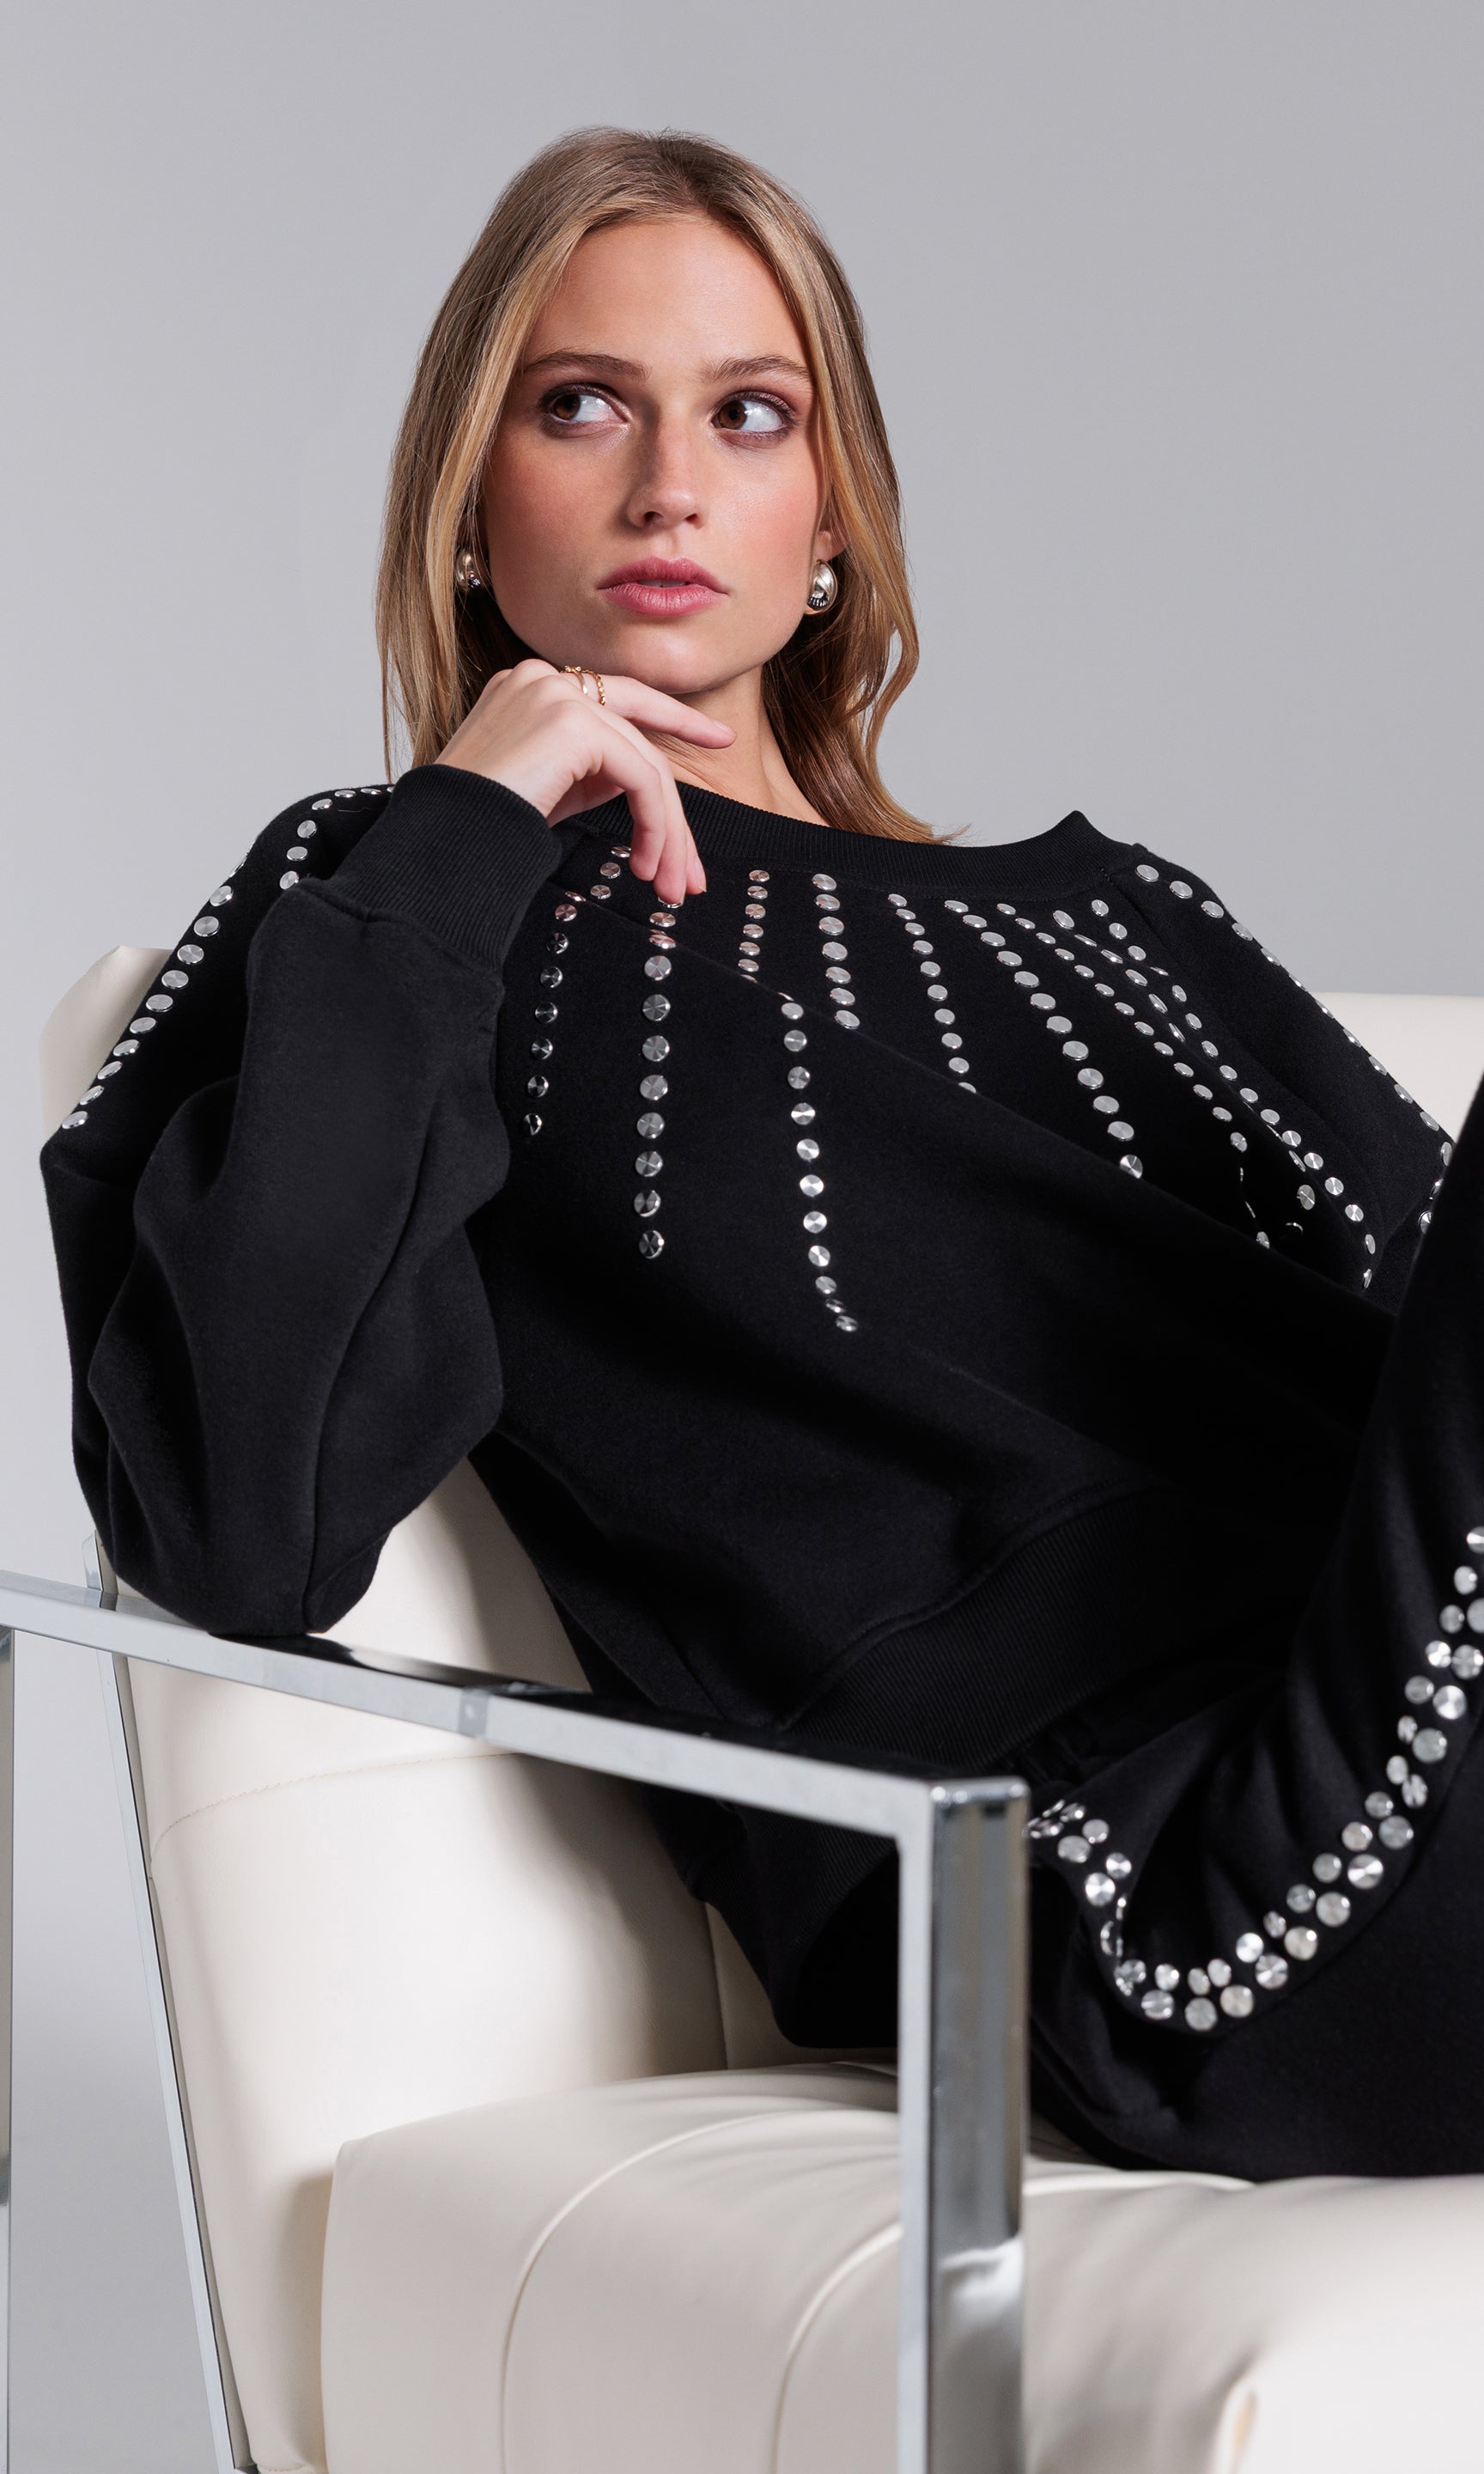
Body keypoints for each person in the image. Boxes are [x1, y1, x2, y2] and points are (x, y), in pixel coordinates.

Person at [41, 126, 1480, 2184]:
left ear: (832, 517)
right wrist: (457, 835)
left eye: (748, 412)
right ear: (468, 503)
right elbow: (232, 1520)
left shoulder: (1129, 928)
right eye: (580, 405)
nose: (668, 486)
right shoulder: (386, 918)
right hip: (1170, 1887)